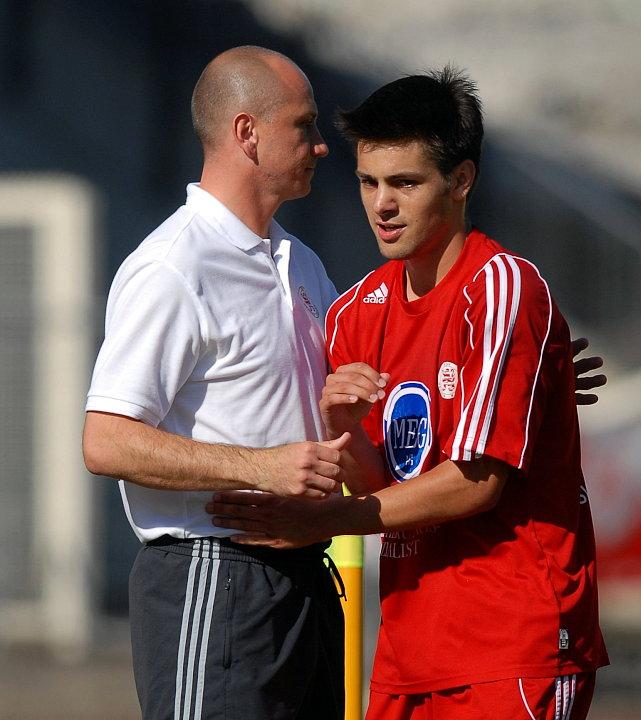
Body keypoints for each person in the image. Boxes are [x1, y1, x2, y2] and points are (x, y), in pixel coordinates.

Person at [207, 67, 609, 720]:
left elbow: (475, 484)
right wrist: (345, 427)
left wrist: (324, 521)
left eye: (405, 183)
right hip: (408, 650)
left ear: (461, 179)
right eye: (368, 182)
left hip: (510, 644)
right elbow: (379, 486)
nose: (381, 204)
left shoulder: (501, 288)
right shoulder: (354, 312)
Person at [82, 46, 350, 720]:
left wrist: (530, 370)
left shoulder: (301, 261)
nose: (321, 146)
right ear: (246, 133)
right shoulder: (174, 265)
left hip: (305, 580)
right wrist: (262, 467)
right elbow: (106, 440)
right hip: (215, 575)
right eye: (304, 125)